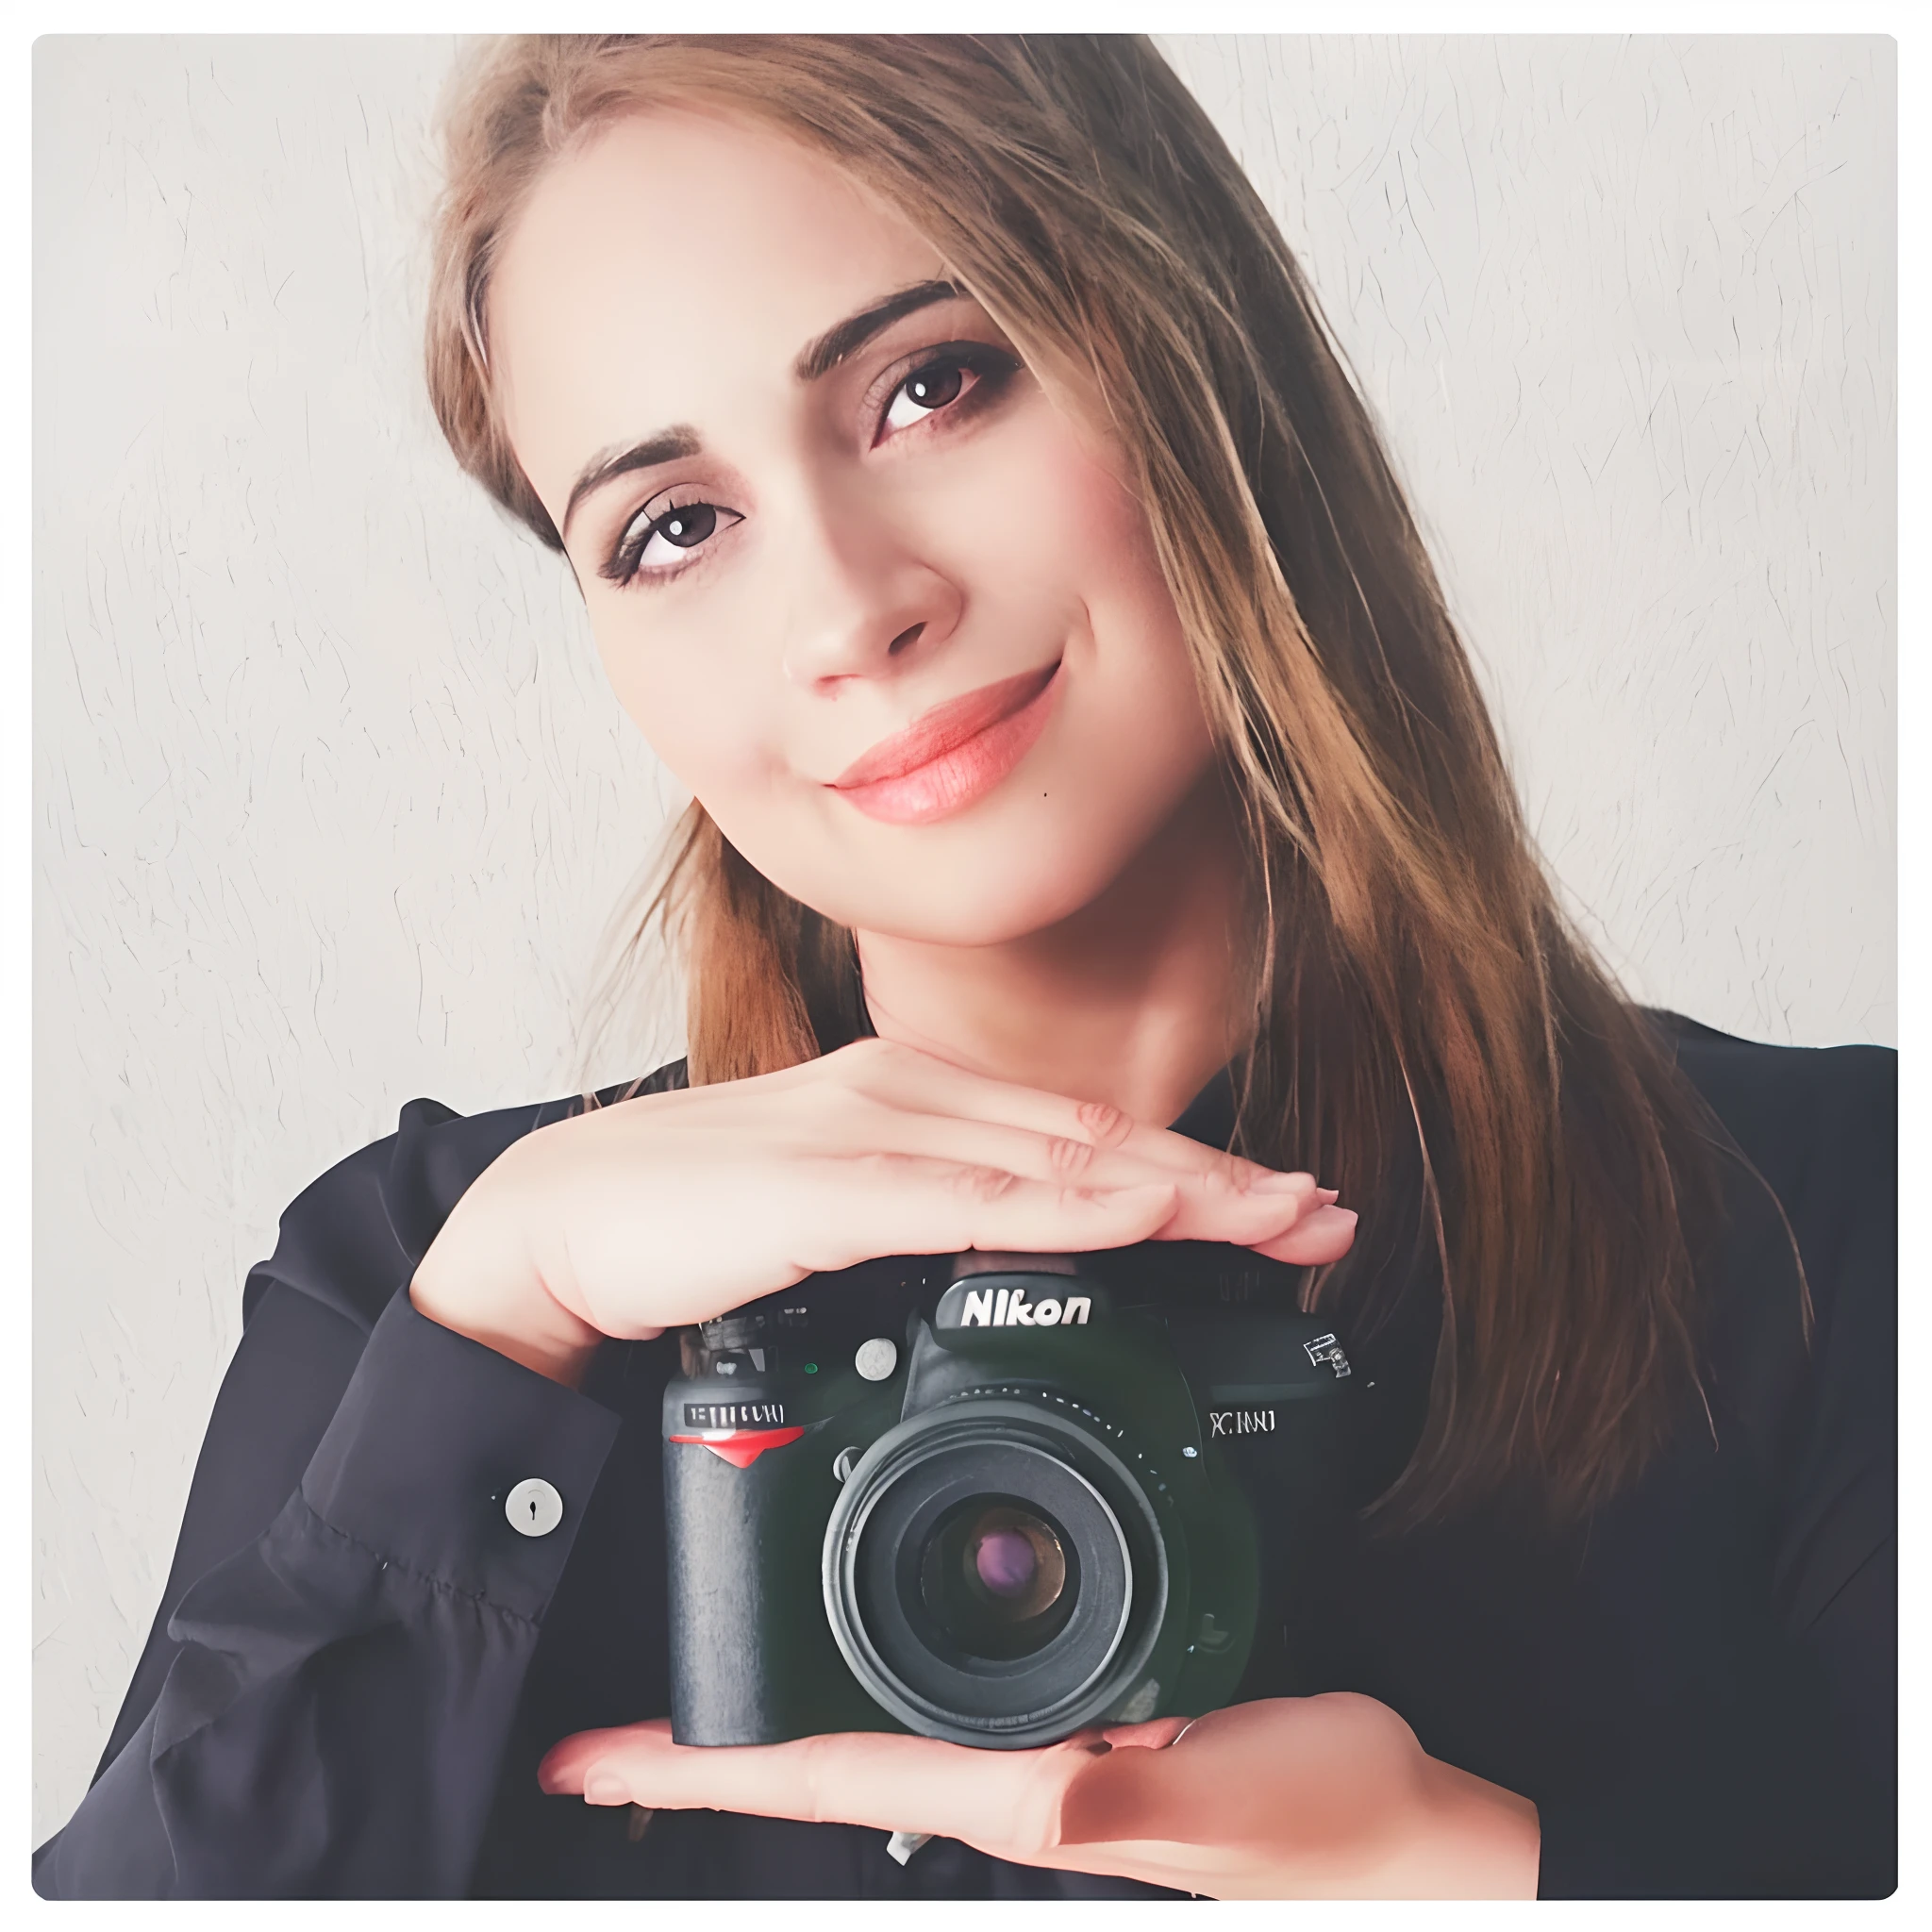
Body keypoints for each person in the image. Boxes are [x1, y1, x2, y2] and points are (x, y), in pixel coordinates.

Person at [33, 33, 1893, 1900]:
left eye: (935, 383)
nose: (851, 606)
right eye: (674, 526)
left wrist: (1474, 1876)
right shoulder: (427, 1284)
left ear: (1198, 361)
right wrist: (498, 1337)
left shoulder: (1827, 1222)